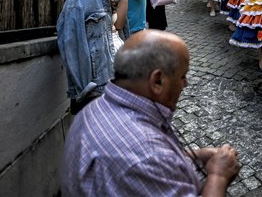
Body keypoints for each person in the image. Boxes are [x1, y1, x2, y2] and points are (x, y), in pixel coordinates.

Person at [60, 30, 241, 196]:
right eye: (182, 76)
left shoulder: (95, 107)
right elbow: (145, 158)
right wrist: (218, 176)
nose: (185, 84)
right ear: (157, 81)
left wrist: (192, 157)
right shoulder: (147, 156)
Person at [56, 0, 136, 114]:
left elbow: (118, 25)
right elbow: (73, 48)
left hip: (114, 75)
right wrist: (87, 91)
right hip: (99, 88)